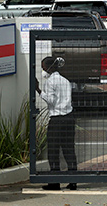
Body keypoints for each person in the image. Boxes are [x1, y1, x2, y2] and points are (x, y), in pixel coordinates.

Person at [36, 56, 77, 191]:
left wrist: (38, 90)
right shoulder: (65, 81)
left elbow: (52, 101)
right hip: (69, 117)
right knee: (69, 149)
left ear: (49, 67)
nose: (43, 70)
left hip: (57, 119)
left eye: (43, 67)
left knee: (53, 150)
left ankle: (54, 182)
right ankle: (73, 180)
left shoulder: (50, 82)